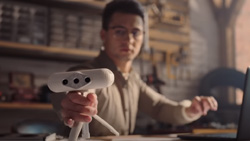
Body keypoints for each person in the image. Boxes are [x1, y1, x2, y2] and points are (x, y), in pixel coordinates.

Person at [51, 0, 218, 136]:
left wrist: (190, 109)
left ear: (143, 37)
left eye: (136, 32)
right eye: (120, 31)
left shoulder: (133, 79)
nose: (129, 39)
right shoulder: (91, 72)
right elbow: (69, 88)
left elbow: (160, 107)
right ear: (104, 35)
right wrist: (73, 101)